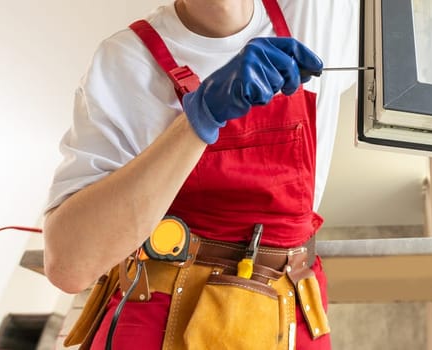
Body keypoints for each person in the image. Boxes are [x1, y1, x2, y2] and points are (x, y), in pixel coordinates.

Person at [41, 0, 357, 348]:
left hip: (289, 315)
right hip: (161, 321)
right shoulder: (124, 62)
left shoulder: (317, 12)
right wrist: (200, 118)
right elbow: (69, 264)